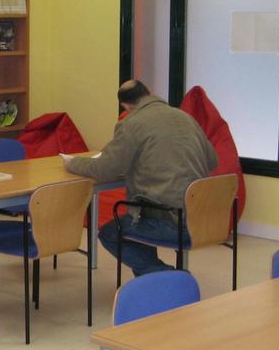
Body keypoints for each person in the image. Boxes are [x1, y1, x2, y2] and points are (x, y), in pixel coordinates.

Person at [63, 80, 217, 277]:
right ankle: (160, 277)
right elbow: (212, 161)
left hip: (172, 222)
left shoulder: (131, 124)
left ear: (126, 107)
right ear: (149, 93)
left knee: (111, 233)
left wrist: (71, 162)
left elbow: (104, 170)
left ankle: (162, 275)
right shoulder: (185, 117)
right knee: (139, 216)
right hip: (207, 218)